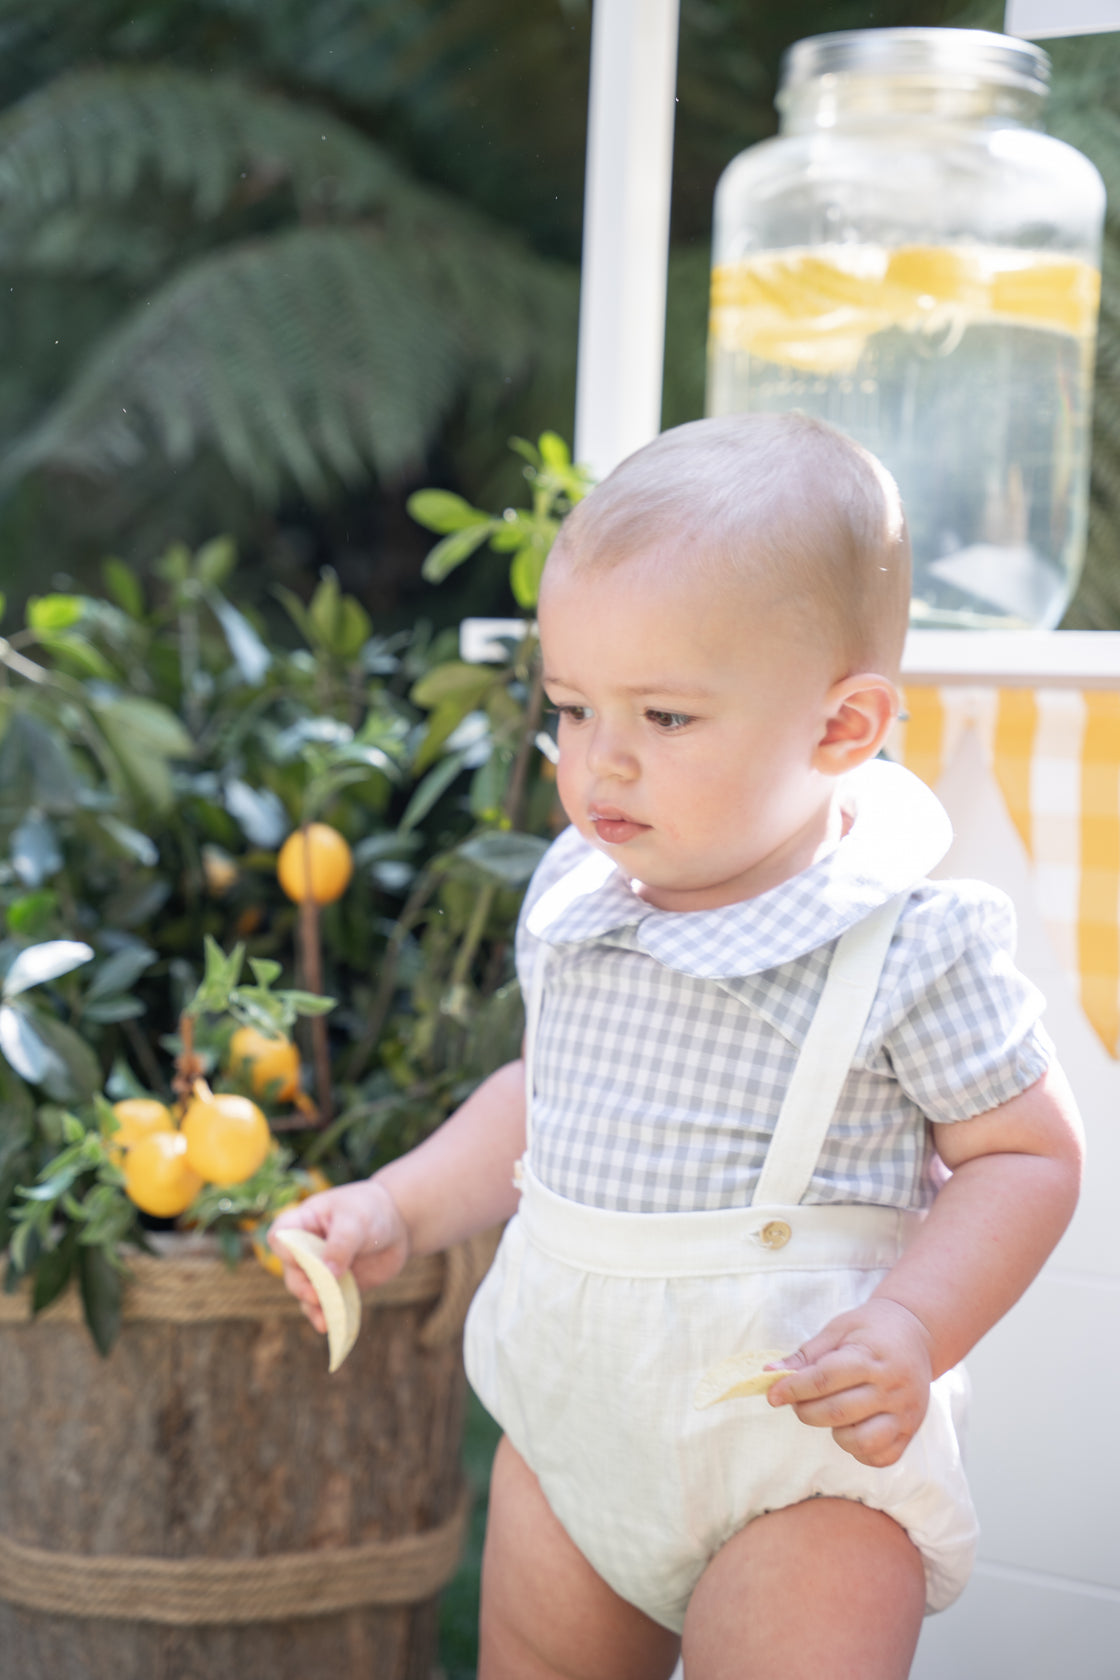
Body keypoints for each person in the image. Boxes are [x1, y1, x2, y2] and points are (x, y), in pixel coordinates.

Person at [271, 413, 1083, 1680]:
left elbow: (1027, 1157)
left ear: (839, 730)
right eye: (574, 709)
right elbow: (545, 1094)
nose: (604, 762)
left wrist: (917, 1328)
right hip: (580, 1434)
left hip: (799, 1456)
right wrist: (399, 1205)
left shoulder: (907, 941)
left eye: (664, 716)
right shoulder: (583, 896)